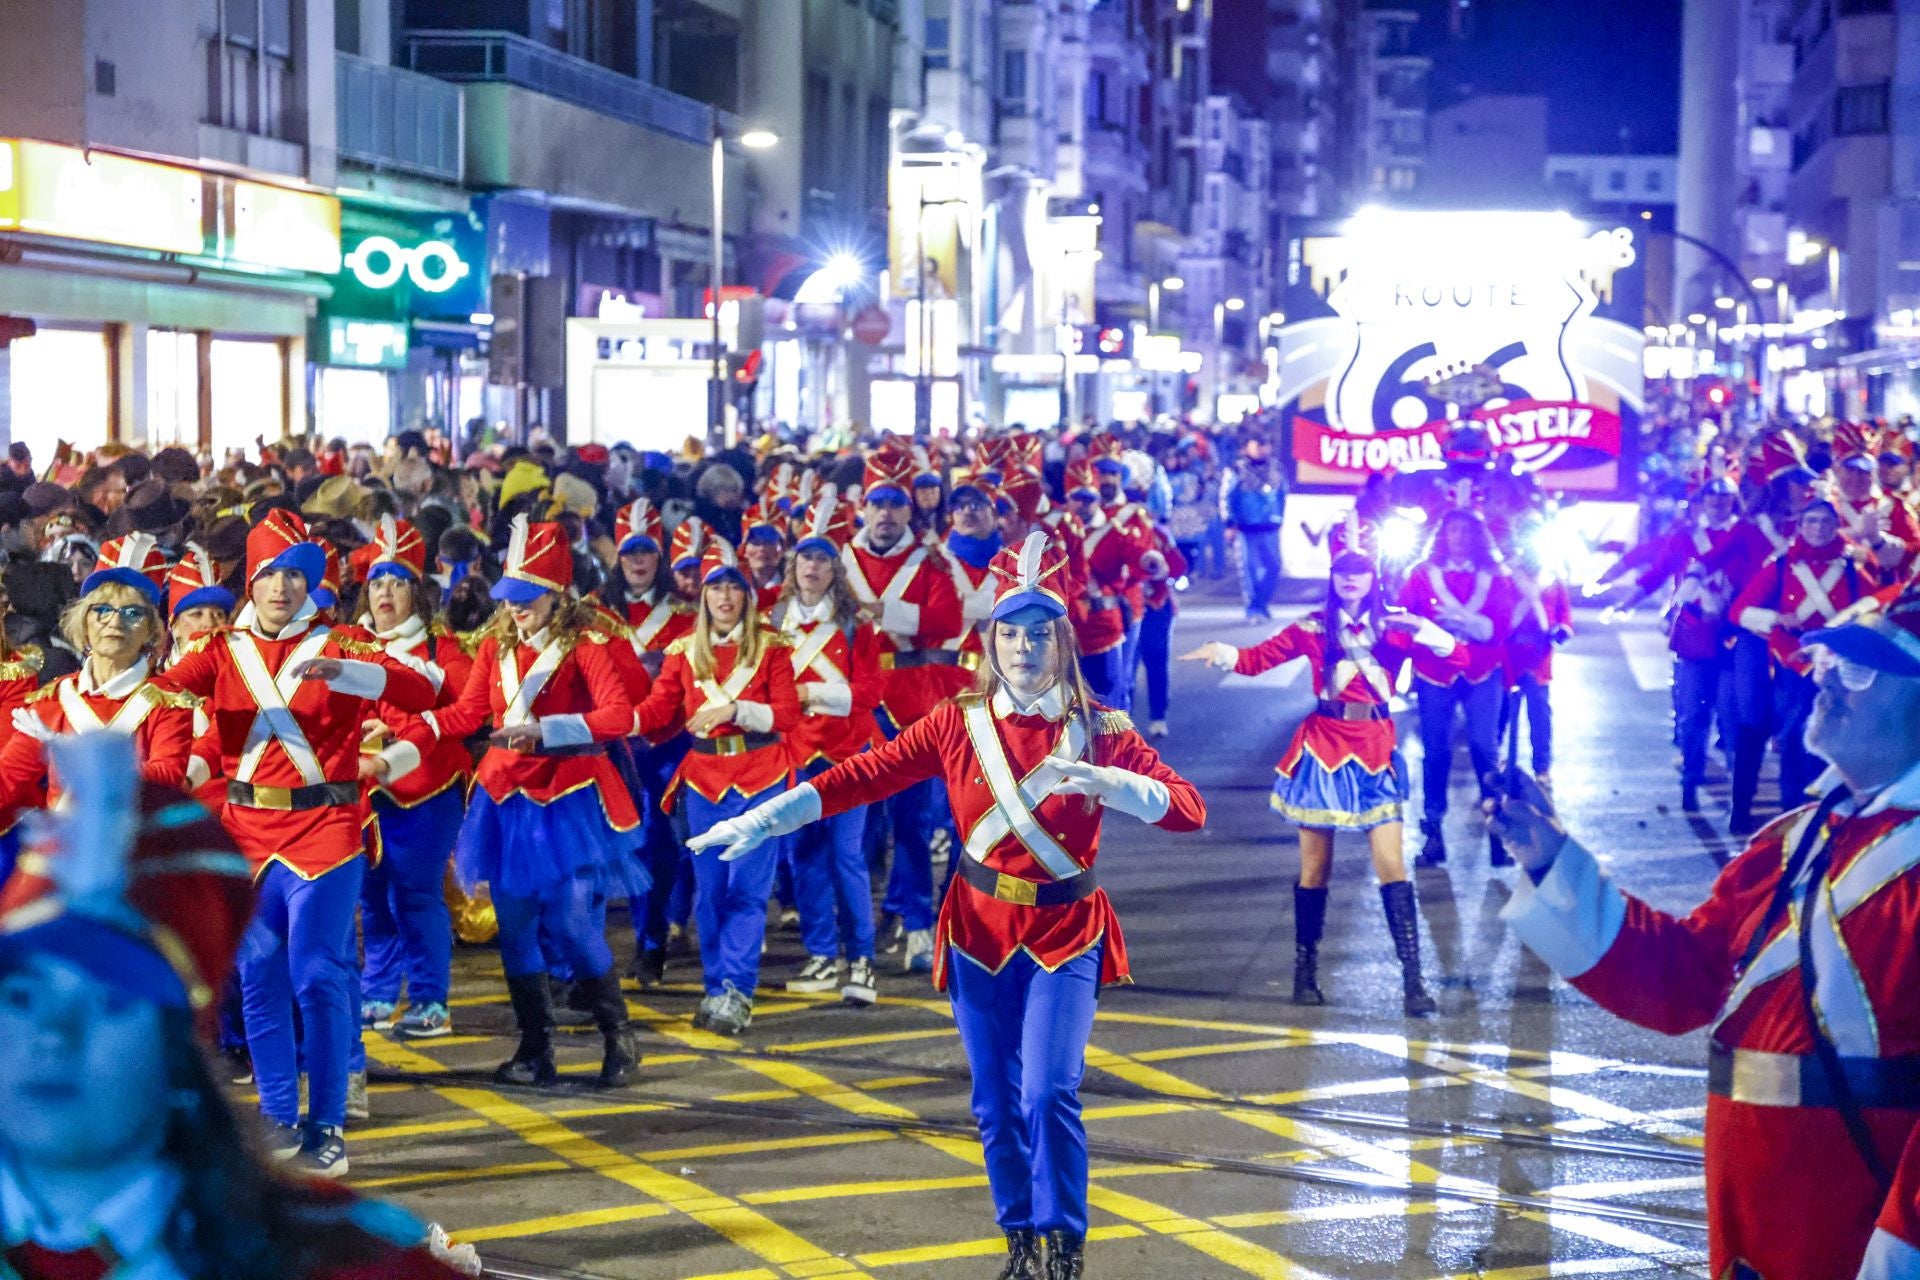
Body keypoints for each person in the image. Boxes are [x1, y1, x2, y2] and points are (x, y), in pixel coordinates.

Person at [690, 530, 1207, 1280]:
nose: (1024, 647)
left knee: (1047, 1090)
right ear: (989, 640)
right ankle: (1020, 1243)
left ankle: (1064, 1247)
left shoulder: (1105, 729)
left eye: (1039, 633)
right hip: (976, 929)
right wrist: (768, 815)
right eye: (1009, 631)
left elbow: (1190, 810)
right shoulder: (956, 721)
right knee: (995, 1105)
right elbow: (863, 776)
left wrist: (1118, 786)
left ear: (1062, 641)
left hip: (1065, 930)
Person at [1493, 583, 1920, 1279]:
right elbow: (1682, 979)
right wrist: (1550, 861)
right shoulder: (1794, 840)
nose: (1826, 684)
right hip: (1755, 1218)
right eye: (1826, 666)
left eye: (1860, 672)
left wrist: (1905, 1247)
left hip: (1865, 1227)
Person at [0, 733, 476, 1280]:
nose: (53, 1034)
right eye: (20, 995)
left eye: (111, 1003)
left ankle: (326, 1124)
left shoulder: (353, 1264)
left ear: (180, 1048)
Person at [152, 509, 441, 1177]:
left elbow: (425, 688)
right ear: (248, 584)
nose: (280, 587)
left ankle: (329, 1124)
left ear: (309, 583)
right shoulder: (221, 650)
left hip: (327, 828)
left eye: (292, 575)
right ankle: (279, 1117)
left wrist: (348, 677)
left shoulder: (342, 641)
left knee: (316, 970)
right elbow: (159, 693)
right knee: (258, 975)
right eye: (267, 575)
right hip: (247, 831)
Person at [1183, 529, 1458, 1014]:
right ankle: (1304, 973)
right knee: (1315, 869)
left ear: (1373, 578)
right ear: (1334, 578)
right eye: (1343, 573)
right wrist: (1221, 652)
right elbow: (1255, 660)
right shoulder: (1313, 627)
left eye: (1360, 573)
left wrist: (1432, 634)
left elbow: (1454, 657)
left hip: (1375, 749)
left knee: (1392, 866)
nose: (1351, 580)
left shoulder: (1396, 626)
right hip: (1323, 748)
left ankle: (1413, 982)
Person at [435, 515, 643, 1089]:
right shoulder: (494, 647)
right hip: (504, 800)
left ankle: (618, 1034)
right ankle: (534, 1049)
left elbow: (618, 716)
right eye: (511, 597)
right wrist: (416, 725)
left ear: (558, 596)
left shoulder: (587, 646)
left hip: (567, 796)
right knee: (517, 925)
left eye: (529, 598)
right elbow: (468, 714)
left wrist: (547, 730)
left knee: (575, 923)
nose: (517, 608)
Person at [634, 539, 800, 1034]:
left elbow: (788, 714)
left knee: (746, 889)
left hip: (761, 775)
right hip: (705, 782)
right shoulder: (684, 653)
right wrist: (604, 722)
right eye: (715, 588)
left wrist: (735, 711)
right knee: (709, 894)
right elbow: (658, 712)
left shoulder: (771, 647)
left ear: (747, 595)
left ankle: (736, 990)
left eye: (734, 587)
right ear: (703, 596)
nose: (725, 597)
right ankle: (715, 986)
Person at [840, 443, 963, 974]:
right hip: (854, 708)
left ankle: (916, 922)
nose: (886, 513)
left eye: (896, 503)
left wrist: (880, 610)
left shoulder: (932, 559)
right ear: (862, 507)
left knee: (912, 822)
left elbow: (945, 619)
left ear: (910, 509)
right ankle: (856, 934)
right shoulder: (838, 558)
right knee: (854, 831)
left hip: (912, 704)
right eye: (877, 502)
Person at [352, 516, 474, 1041]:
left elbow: (472, 708)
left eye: (398, 583)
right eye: (378, 582)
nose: (385, 593)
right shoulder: (349, 643)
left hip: (428, 790)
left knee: (416, 894)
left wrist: (399, 723)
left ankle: (429, 1000)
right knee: (371, 895)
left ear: (416, 594)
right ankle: (378, 990)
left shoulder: (440, 650)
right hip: (364, 789)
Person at [769, 488, 884, 1004]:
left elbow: (870, 694)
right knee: (804, 857)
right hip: (795, 756)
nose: (811, 567)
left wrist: (813, 693)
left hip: (847, 752)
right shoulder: (771, 623)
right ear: (792, 566)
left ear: (835, 568)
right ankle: (821, 955)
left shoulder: (858, 625)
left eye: (821, 558)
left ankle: (861, 960)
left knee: (846, 857)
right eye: (804, 557)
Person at [0, 536, 196, 816]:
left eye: (132, 613)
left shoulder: (167, 702)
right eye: (102, 610)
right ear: (84, 621)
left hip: (137, 850)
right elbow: (8, 778)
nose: (115, 622)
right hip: (68, 853)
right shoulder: (54, 698)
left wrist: (74, 752)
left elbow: (165, 777)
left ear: (151, 631)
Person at [1730, 499, 1877, 821]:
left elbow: (1875, 602)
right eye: (1812, 521)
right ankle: (1793, 810)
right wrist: (1777, 618)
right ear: (1801, 525)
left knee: (1831, 738)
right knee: (1794, 735)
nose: (1819, 528)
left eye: (1827, 522)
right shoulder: (1783, 564)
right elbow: (1740, 610)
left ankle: (1825, 810)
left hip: (1837, 664)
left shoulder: (1853, 564)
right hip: (1794, 662)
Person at [600, 499, 694, 988]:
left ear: (660, 558)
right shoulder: (596, 613)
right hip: (612, 747)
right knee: (614, 844)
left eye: (648, 553)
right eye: (630, 551)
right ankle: (587, 959)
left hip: (666, 745)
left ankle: (652, 939)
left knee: (660, 843)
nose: (638, 561)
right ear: (618, 555)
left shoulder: (683, 616)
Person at [1398, 509, 1515, 866]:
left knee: (1485, 748)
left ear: (1477, 537)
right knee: (1435, 752)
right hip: (1435, 673)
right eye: (1453, 531)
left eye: (1466, 531)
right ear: (1442, 536)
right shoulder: (1420, 575)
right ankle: (1432, 833)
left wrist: (1473, 623)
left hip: (1483, 671)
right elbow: (1404, 619)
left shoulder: (1496, 576)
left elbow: (1505, 622)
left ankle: (1498, 833)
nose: (1460, 537)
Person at [1220, 434, 1284, 622]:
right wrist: (1229, 523)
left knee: (1274, 566)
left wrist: (1280, 518)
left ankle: (1262, 603)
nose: (1262, 449)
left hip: (1270, 526)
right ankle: (1253, 608)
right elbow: (1226, 497)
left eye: (1265, 445)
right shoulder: (1236, 470)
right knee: (1249, 570)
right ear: (1247, 447)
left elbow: (1283, 494)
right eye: (1258, 445)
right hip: (1246, 528)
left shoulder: (1276, 468)